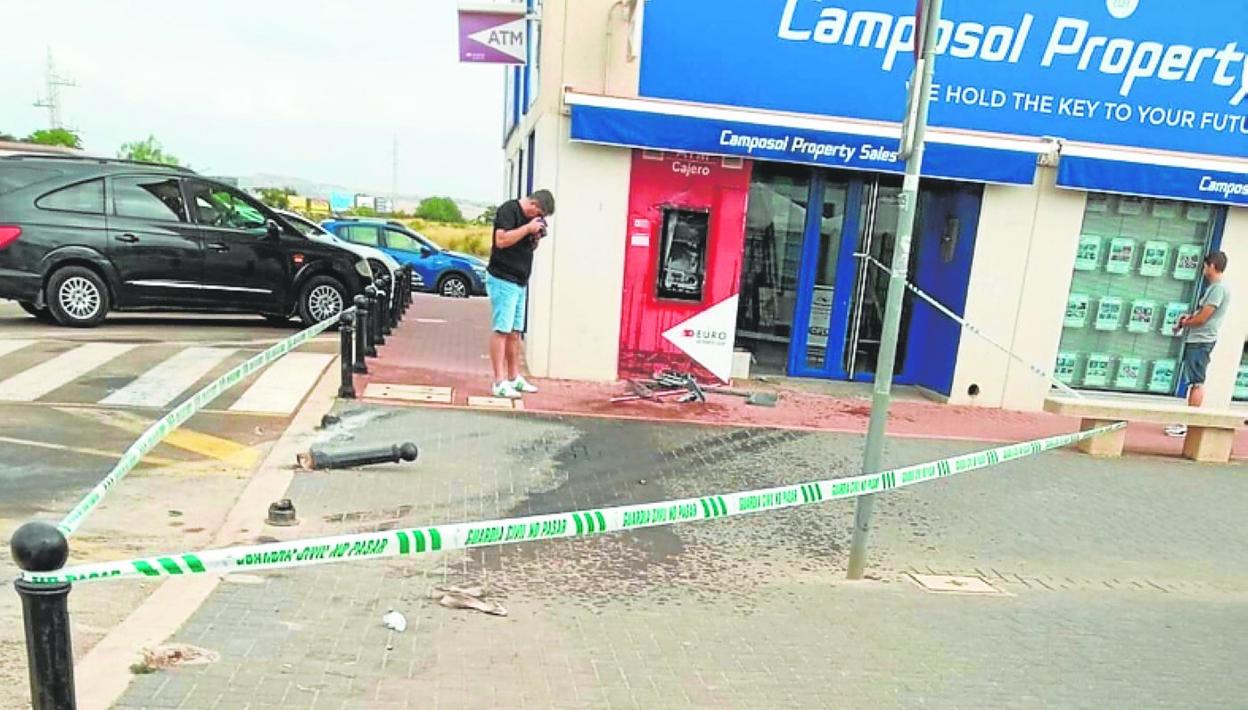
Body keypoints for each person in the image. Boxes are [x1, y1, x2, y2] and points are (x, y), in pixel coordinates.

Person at [486, 189, 555, 399]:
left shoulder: (531, 221)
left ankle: (514, 377)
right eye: (539, 214)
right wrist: (527, 228)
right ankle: (499, 381)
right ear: (533, 205)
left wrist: (536, 236)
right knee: (501, 330)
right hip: (502, 278)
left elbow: (526, 247)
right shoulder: (509, 211)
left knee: (515, 332)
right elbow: (502, 241)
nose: (538, 219)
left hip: (520, 281)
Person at [1166, 250, 1230, 437]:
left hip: (1202, 340)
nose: (1203, 269)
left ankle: (1188, 423)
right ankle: (1187, 422)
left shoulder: (1218, 288)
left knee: (1196, 382)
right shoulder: (1215, 288)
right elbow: (1201, 314)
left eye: (1205, 265)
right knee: (1194, 381)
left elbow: (1204, 317)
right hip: (1199, 339)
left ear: (1212, 266)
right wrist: (1189, 318)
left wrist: (1185, 323)